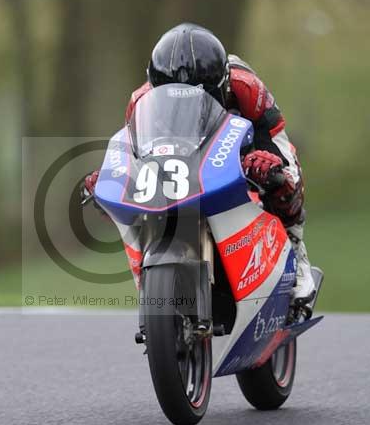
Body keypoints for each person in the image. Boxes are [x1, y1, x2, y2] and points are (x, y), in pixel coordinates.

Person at [83, 22, 315, 303]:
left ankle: (296, 251)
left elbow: (275, 138)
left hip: (244, 143)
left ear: (223, 84)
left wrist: (269, 165)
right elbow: (135, 152)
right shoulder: (140, 101)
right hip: (177, 156)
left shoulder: (247, 87)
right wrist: (111, 180)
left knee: (286, 176)